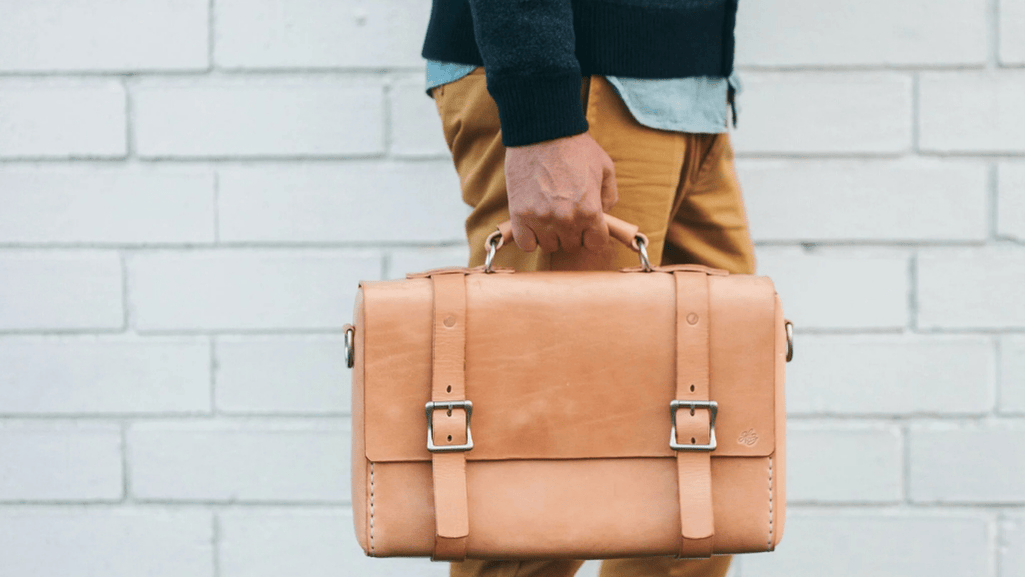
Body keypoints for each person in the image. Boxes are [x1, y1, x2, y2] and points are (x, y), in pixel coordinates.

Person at [422, 1, 755, 576]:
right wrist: (542, 112)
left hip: (687, 88)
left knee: (705, 484)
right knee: (543, 496)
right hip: (575, 82)